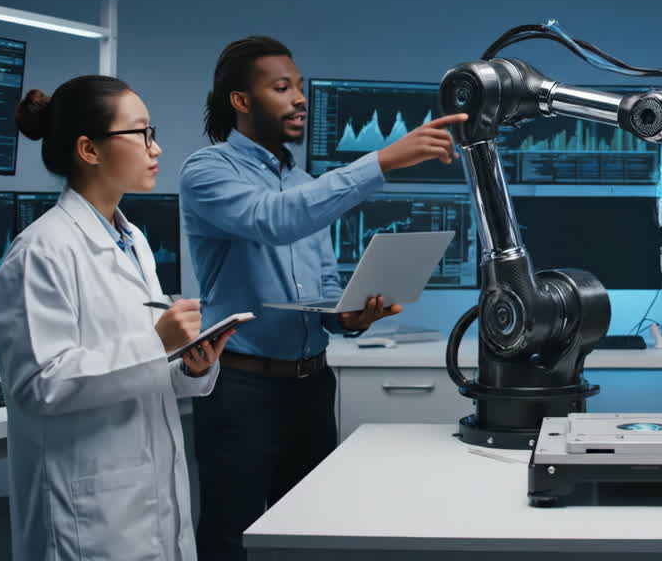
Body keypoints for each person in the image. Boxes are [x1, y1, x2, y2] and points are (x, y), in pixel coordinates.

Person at [180, 36, 467, 560]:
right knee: (232, 532)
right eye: (281, 87)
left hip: (311, 384)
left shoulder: (303, 180)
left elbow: (323, 288)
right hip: (241, 388)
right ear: (241, 101)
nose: (299, 99)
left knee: (306, 529)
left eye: (300, 88)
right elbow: (275, 220)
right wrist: (380, 161)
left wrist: (350, 316)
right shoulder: (207, 171)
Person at [0, 75, 232, 561]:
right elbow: (40, 385)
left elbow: (138, 368)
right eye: (140, 133)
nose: (155, 147)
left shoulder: (132, 240)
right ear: (89, 149)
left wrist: (189, 366)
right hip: (87, 513)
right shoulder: (41, 251)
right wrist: (157, 344)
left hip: (149, 491)